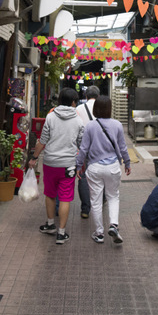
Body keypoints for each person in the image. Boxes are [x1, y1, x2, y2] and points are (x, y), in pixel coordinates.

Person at [28, 88, 83, 245]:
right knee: (65, 197)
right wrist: (82, 163)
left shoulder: (51, 117)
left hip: (51, 162)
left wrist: (34, 158)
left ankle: (50, 224)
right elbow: (81, 144)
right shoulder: (78, 120)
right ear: (73, 102)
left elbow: (43, 140)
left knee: (51, 194)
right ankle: (61, 233)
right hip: (69, 164)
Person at [76, 95, 131, 245]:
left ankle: (99, 233)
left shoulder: (90, 126)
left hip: (94, 168)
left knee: (95, 200)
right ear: (109, 108)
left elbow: (84, 149)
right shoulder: (117, 125)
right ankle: (113, 225)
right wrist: (127, 162)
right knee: (113, 197)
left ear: (95, 109)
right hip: (112, 167)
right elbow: (122, 147)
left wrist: (78, 165)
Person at [74, 85, 101, 219]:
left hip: (84, 146)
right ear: (98, 96)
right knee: (100, 175)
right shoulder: (103, 108)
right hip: (100, 147)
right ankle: (100, 203)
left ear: (85, 96)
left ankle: (85, 209)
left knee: (83, 176)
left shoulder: (79, 109)